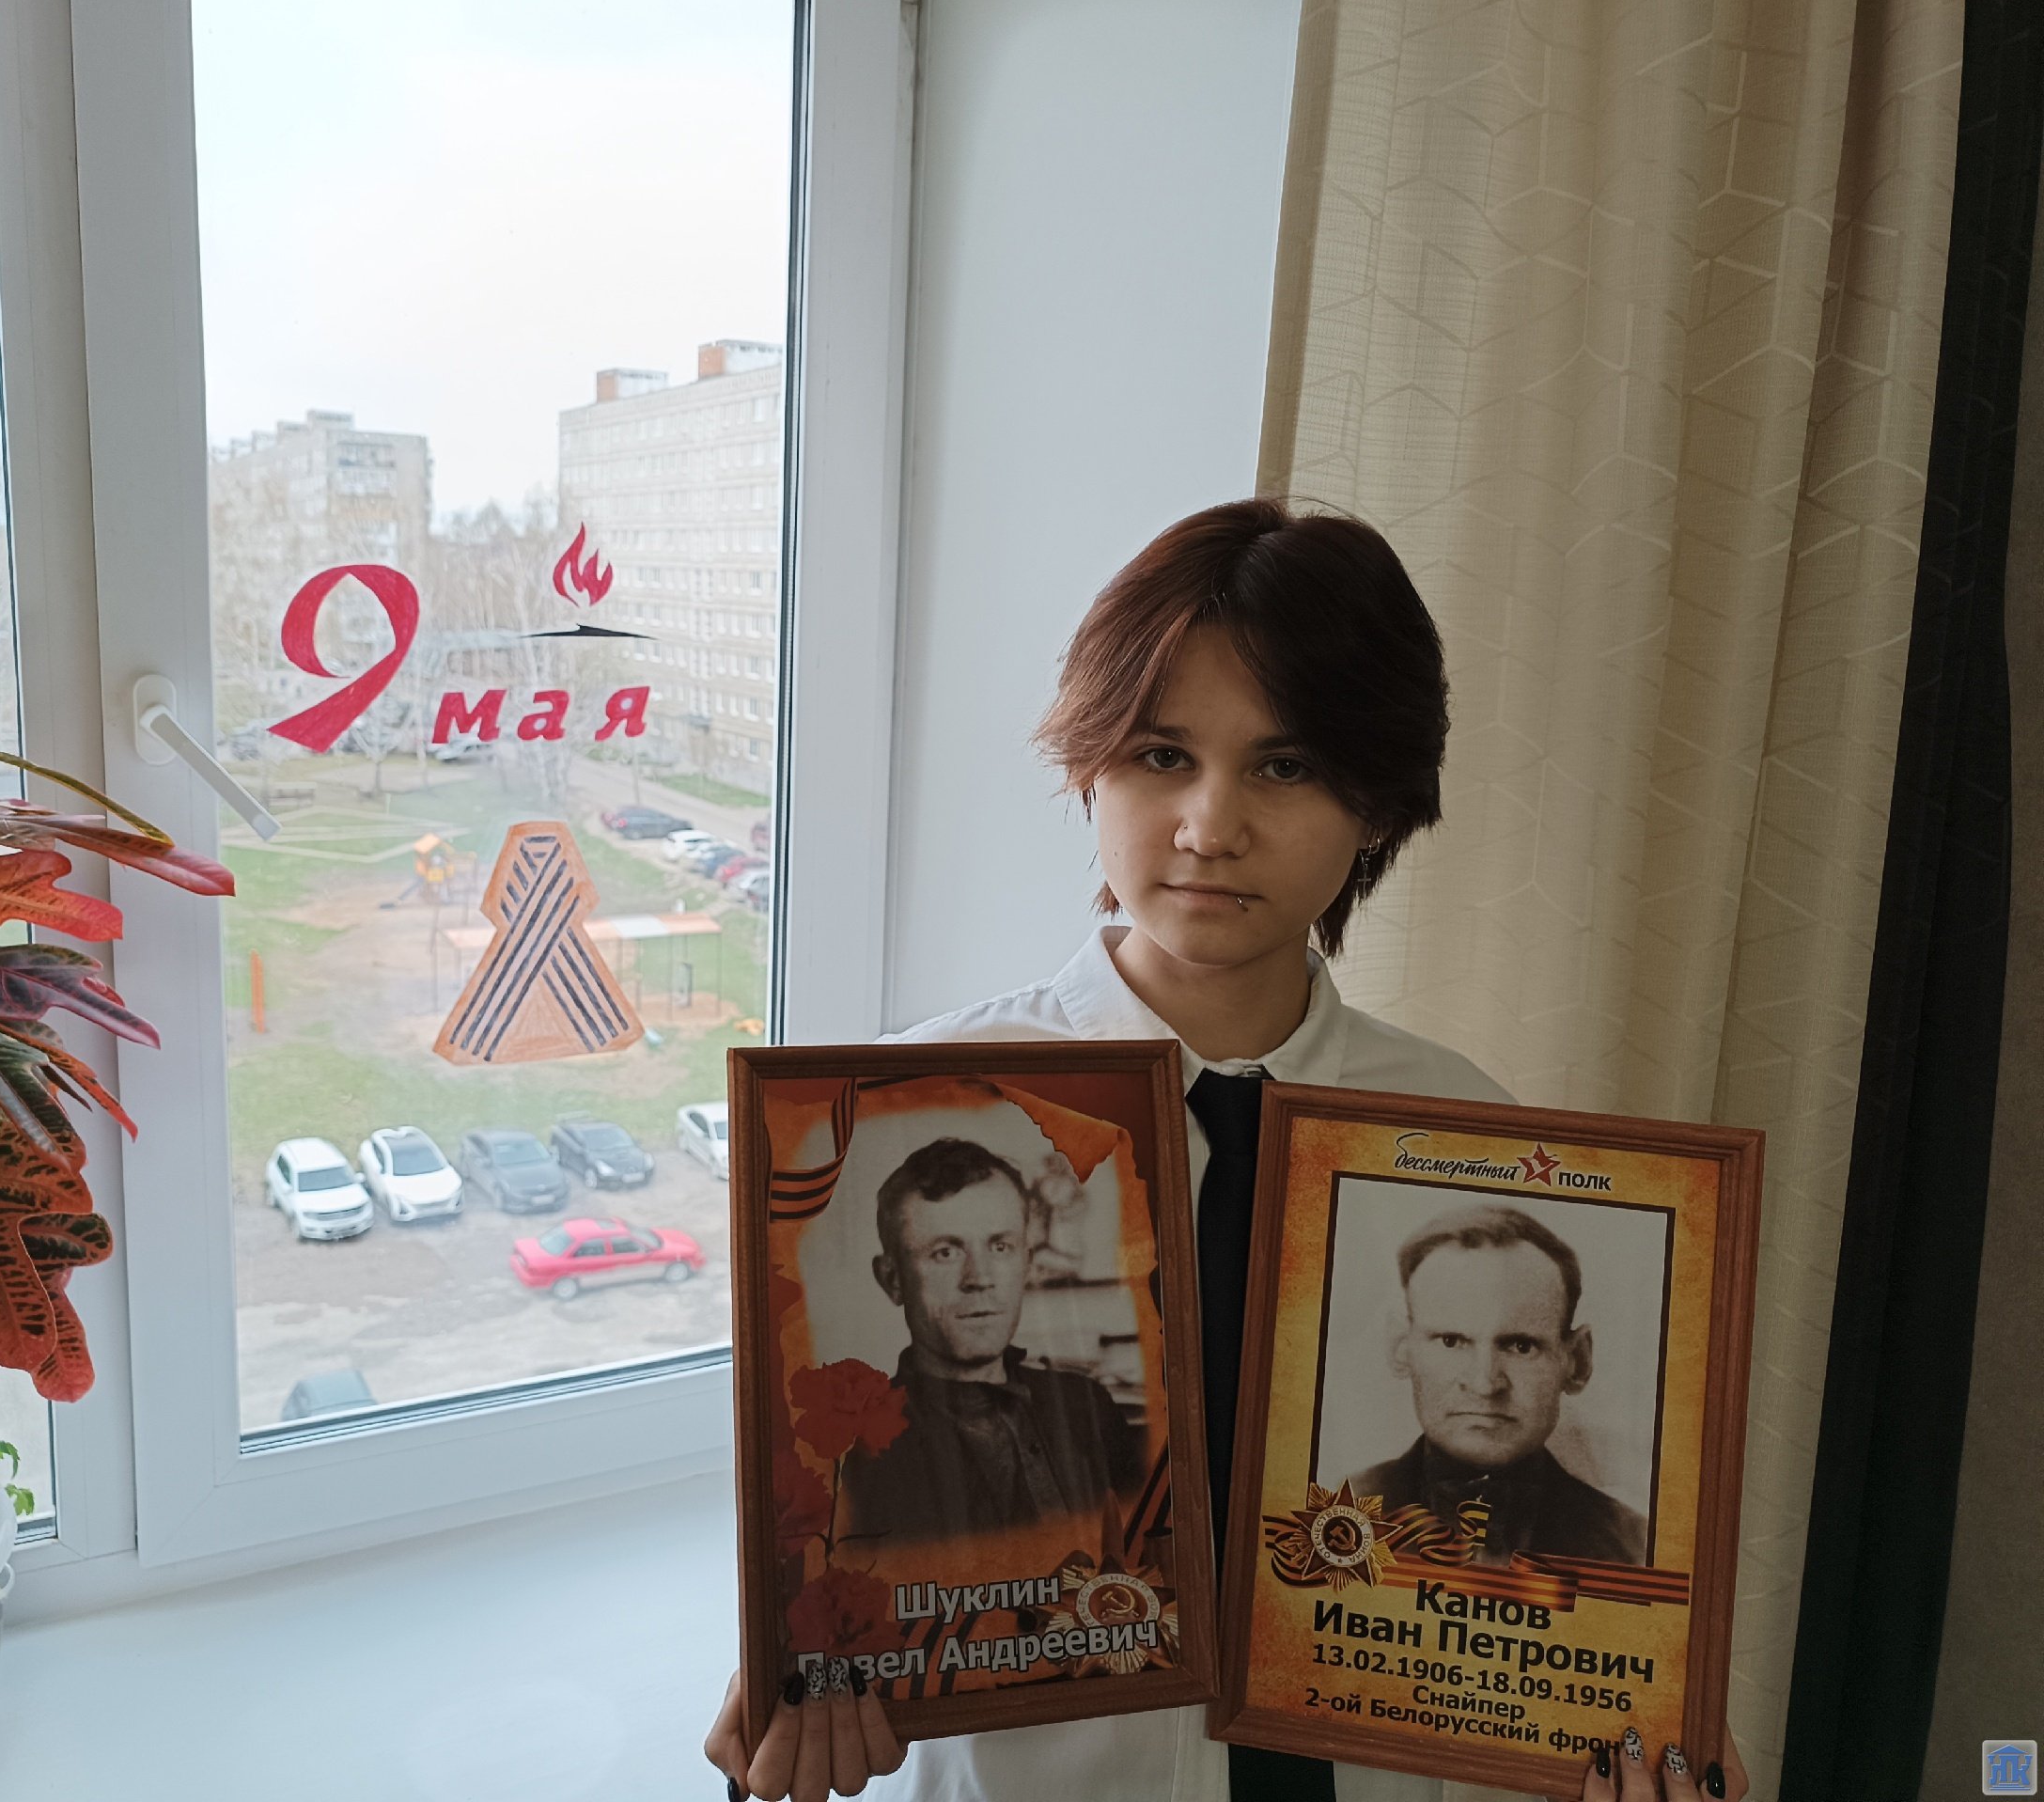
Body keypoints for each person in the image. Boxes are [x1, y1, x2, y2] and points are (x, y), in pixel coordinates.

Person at [703, 499, 1746, 1802]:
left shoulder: (1467, 1135)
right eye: (1160, 755)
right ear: (1089, 769)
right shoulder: (902, 1113)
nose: (1208, 825)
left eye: (1285, 766)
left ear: (1378, 806)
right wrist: (799, 1668)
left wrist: (1629, 1718)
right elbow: (835, 1535)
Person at [836, 1136, 1142, 1544]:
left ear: (1026, 1263)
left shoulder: (1088, 1406)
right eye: (945, 1252)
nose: (979, 1278)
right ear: (892, 1279)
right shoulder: (856, 1458)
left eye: (1000, 1247)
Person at [1345, 1203, 1649, 1565]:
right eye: (1451, 1342)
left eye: (1520, 1346)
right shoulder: (1340, 1510)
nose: (1485, 1384)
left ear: (1577, 1361)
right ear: (1401, 1348)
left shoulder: (1635, 1548)